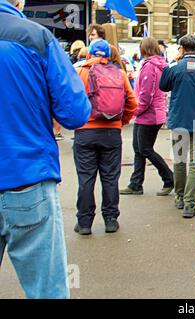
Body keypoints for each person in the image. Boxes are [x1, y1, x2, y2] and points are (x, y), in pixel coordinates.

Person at [0, 0, 91, 298]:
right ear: (19, 2)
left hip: (25, 175)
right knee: (47, 291)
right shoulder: (36, 37)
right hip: (26, 179)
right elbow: (75, 114)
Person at [73, 39, 137, 235]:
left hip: (85, 131)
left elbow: (69, 100)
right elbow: (132, 102)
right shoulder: (118, 73)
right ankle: (110, 220)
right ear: (108, 55)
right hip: (111, 132)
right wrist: (121, 122)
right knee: (110, 177)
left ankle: (84, 223)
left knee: (86, 178)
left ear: (90, 54)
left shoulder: (79, 72)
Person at [159, 34, 195, 218]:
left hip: (178, 119)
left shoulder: (174, 67)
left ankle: (179, 196)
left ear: (181, 49)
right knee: (194, 163)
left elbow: (163, 86)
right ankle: (189, 204)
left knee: (179, 160)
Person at [120, 37, 174, 197]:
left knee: (144, 149)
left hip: (148, 114)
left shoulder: (150, 67)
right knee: (139, 149)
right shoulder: (158, 65)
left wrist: (133, 112)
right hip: (151, 113)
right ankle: (136, 183)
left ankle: (169, 178)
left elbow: (145, 95)